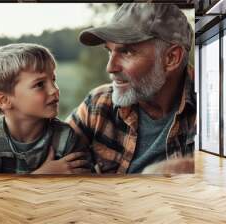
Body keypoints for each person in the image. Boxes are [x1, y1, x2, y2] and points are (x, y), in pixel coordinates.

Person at [67, 3, 196, 174]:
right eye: (109, 51)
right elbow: (48, 152)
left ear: (171, 58)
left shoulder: (214, 109)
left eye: (127, 52)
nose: (110, 67)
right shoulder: (98, 103)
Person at [0, 43, 91, 174]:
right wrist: (42, 175)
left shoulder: (66, 137)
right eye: (39, 84)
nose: (54, 90)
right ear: (3, 100)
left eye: (53, 80)